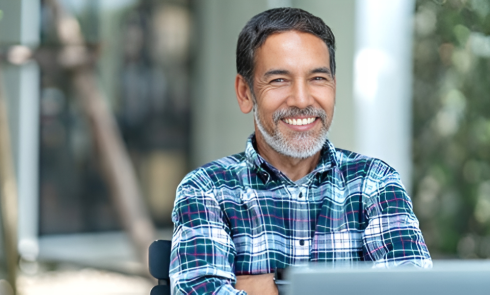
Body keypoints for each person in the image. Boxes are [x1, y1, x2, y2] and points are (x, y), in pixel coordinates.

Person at [169, 7, 432, 295]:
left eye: (318, 78)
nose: (302, 99)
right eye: (279, 80)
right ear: (245, 93)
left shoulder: (376, 182)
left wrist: (269, 288)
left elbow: (413, 290)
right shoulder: (208, 190)